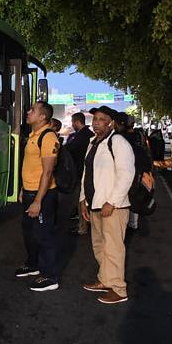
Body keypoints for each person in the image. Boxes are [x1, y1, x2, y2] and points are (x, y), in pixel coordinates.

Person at [79, 105, 135, 304]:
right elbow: (87, 174)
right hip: (95, 204)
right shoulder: (93, 142)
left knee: (113, 248)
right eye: (94, 119)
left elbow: (127, 174)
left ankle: (119, 289)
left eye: (101, 119)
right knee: (99, 246)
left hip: (113, 206)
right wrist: (83, 200)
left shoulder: (117, 141)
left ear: (110, 123)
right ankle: (105, 280)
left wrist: (112, 201)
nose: (96, 122)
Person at [15, 101, 60, 292]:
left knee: (44, 236)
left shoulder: (48, 137)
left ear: (43, 117)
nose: (28, 112)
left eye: (32, 110)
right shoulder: (34, 135)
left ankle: (49, 276)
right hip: (30, 192)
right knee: (29, 232)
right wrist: (24, 190)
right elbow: (31, 167)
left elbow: (47, 172)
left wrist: (38, 201)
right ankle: (33, 264)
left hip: (43, 195)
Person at [115, 112, 153, 231]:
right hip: (140, 172)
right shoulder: (139, 135)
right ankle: (133, 223)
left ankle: (128, 224)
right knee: (136, 197)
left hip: (130, 172)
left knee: (128, 198)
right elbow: (146, 152)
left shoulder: (120, 138)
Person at [65, 112, 95, 236]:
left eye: (73, 122)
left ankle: (82, 227)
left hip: (80, 171)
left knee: (81, 199)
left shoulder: (80, 136)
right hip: (88, 171)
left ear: (77, 122)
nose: (72, 125)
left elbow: (70, 149)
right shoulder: (90, 134)